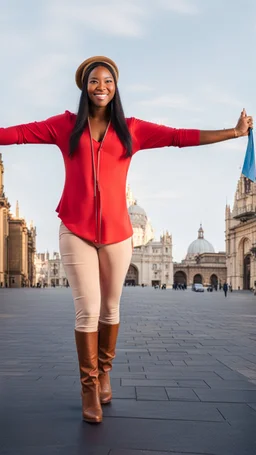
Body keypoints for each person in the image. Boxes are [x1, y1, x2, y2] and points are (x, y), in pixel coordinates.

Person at [0, 55, 253, 424]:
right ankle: (89, 388)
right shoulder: (64, 126)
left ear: (115, 87)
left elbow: (178, 137)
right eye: (93, 81)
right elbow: (17, 134)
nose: (100, 86)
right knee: (87, 309)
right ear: (84, 87)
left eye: (107, 81)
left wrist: (232, 133)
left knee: (111, 308)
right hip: (75, 228)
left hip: (119, 233)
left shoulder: (131, 129)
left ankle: (104, 373)